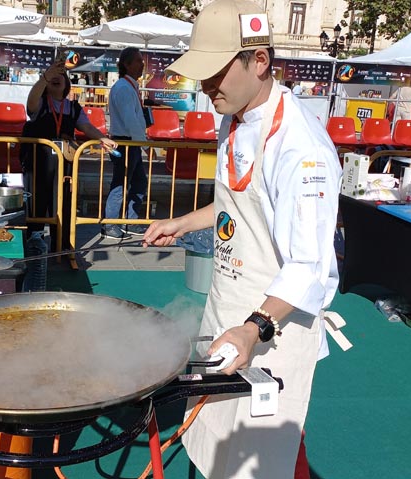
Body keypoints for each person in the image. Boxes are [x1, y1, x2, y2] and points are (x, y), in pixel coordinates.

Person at [142, 0, 341, 477]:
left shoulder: (302, 149)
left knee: (259, 458)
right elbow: (244, 202)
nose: (207, 86)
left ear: (260, 61)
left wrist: (255, 328)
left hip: (273, 325)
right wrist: (185, 222)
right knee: (212, 434)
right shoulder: (233, 114)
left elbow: (308, 264)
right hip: (228, 304)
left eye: (216, 71)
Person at [23, 60, 117, 248]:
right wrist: (45, 77)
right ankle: (35, 239)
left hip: (64, 163)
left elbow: (86, 126)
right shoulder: (40, 103)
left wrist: (102, 138)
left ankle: (63, 242)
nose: (57, 78)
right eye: (52, 76)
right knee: (38, 199)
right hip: (38, 161)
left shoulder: (73, 107)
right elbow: (30, 103)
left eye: (61, 75)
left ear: (67, 83)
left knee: (64, 201)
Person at [103, 47, 149, 239]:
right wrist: (146, 145)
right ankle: (110, 224)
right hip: (126, 142)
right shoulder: (123, 88)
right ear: (127, 64)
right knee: (121, 184)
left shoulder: (128, 87)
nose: (142, 65)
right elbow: (131, 121)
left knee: (138, 182)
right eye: (138, 61)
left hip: (131, 142)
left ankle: (130, 220)